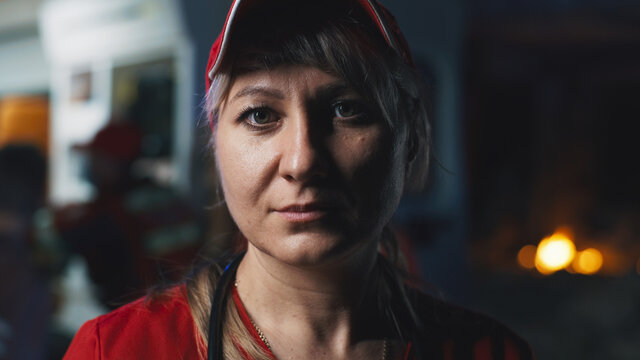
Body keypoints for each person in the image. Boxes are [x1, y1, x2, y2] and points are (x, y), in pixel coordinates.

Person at [64, 0, 534, 359]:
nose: (303, 160)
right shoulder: (120, 350)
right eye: (261, 115)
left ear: (409, 140)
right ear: (216, 149)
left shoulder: (492, 352)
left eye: (347, 110)